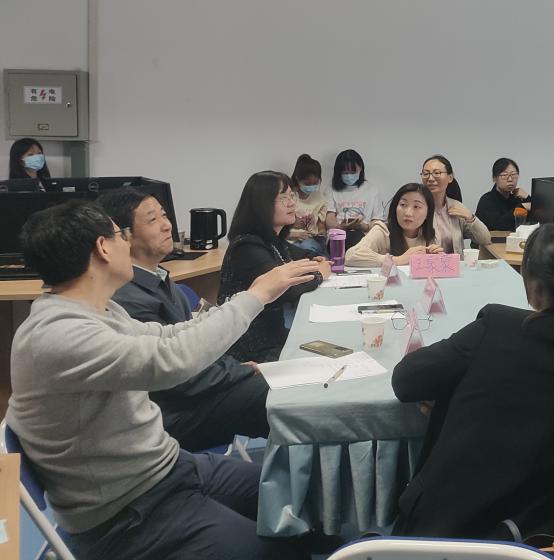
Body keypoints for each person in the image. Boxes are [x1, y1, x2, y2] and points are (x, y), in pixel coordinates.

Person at [6, 199, 319, 560]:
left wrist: (253, 296)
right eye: (120, 235)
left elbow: (167, 336)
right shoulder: (59, 335)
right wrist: (256, 296)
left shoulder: (98, 311)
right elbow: (171, 360)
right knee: (279, 550)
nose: (126, 243)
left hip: (167, 469)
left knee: (302, 503)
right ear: (103, 248)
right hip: (127, 514)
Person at [391, 222, 554, 559]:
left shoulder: (497, 327)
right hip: (546, 542)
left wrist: (451, 397)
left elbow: (406, 380)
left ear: (533, 286)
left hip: (442, 539)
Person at [98, 187, 271, 452]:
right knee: (274, 396)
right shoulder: (127, 298)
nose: (167, 225)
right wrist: (240, 371)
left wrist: (236, 368)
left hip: (193, 392)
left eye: (164, 215)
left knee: (281, 390)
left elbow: (192, 341)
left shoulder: (160, 278)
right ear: (124, 236)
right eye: (153, 219)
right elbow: (178, 375)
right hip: (172, 413)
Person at [218, 171, 333, 362]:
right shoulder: (247, 246)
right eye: (283, 198)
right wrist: (319, 274)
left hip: (272, 336)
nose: (291, 203)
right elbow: (284, 290)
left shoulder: (273, 240)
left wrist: (315, 260)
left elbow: (303, 255)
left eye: (291, 196)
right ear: (262, 204)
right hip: (251, 349)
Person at [346, 184, 443, 266]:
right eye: (403, 205)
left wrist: (437, 260)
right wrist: (398, 260)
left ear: (428, 213)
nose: (408, 213)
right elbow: (351, 256)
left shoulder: (431, 235)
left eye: (416, 206)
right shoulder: (383, 230)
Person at [421, 155, 490, 254]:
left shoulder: (456, 206)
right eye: (426, 174)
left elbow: (485, 239)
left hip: (457, 263)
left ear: (450, 177)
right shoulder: (417, 208)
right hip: (428, 263)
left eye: (437, 173)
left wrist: (470, 217)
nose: (430, 178)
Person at [325, 149, 384, 246]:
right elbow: (329, 219)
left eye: (353, 172)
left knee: (358, 239)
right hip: (338, 236)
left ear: (360, 168)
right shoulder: (331, 190)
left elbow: (377, 221)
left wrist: (363, 226)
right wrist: (341, 227)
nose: (349, 176)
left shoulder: (372, 190)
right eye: (345, 172)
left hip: (364, 238)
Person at [289, 154, 330, 255]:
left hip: (311, 240)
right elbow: (277, 229)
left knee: (307, 247)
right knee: (296, 248)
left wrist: (322, 232)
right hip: (289, 239)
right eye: (307, 184)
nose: (311, 186)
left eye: (315, 183)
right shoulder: (289, 197)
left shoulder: (320, 198)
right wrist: (296, 234)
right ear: (298, 179)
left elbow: (321, 225)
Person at [475, 157, 531, 231]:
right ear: (494, 178)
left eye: (513, 174)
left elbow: (536, 217)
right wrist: (521, 207)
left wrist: (527, 197)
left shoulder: (516, 198)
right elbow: (498, 225)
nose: (510, 179)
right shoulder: (487, 200)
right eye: (504, 175)